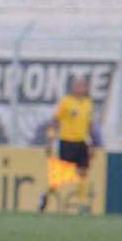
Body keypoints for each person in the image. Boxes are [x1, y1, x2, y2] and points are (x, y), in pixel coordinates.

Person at [39, 76, 100, 214]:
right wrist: (50, 140)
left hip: (82, 142)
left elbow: (89, 125)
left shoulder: (88, 104)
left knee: (83, 172)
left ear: (86, 88)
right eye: (77, 85)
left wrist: (92, 145)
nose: (79, 88)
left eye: (82, 86)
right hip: (67, 142)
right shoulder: (66, 102)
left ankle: (83, 205)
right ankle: (44, 196)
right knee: (61, 177)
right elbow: (55, 121)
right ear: (73, 87)